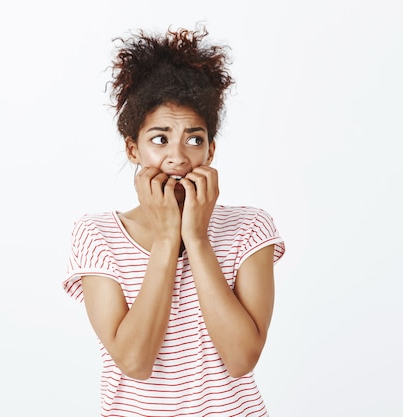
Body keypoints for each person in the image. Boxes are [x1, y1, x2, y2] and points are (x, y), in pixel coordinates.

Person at [62, 26, 285, 417]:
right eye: (160, 139)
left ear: (211, 150)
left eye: (194, 139)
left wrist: (196, 240)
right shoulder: (96, 235)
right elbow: (134, 361)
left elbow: (241, 359)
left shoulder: (250, 229)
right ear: (133, 148)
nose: (179, 158)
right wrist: (167, 239)